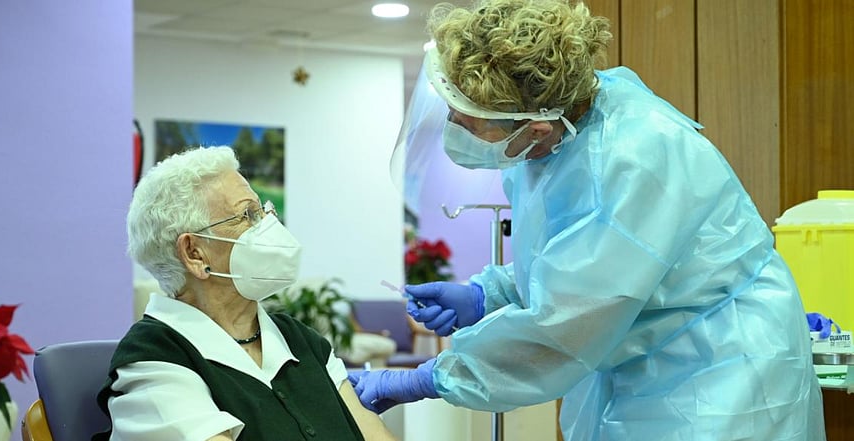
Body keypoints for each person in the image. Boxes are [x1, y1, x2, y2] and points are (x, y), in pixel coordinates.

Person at [348, 1, 827, 440]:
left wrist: (427, 378)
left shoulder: (636, 157)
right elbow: (575, 259)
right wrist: (490, 292)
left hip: (721, 375)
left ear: (534, 125)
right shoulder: (547, 145)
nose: (455, 130)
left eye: (468, 122)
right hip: (641, 361)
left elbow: (566, 323)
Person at [94, 146, 396, 441]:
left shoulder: (299, 340)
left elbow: (373, 433)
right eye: (248, 215)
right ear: (194, 253)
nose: (268, 226)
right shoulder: (154, 363)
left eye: (263, 211)